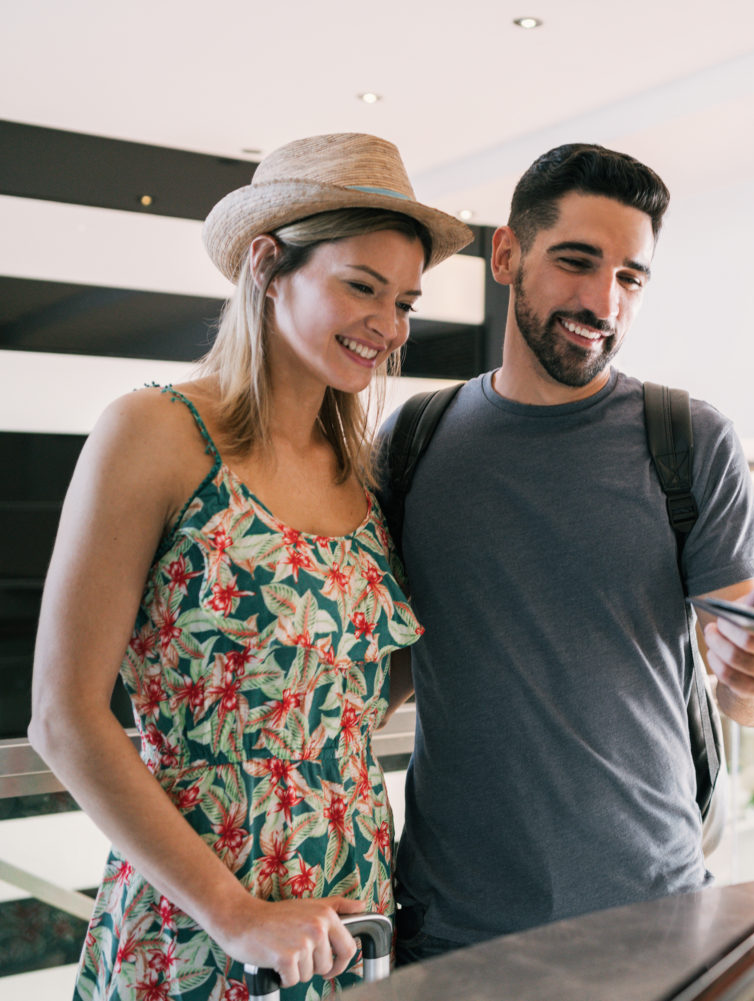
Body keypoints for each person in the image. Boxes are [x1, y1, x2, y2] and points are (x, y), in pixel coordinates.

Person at [28, 133, 473, 1000]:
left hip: (349, 909)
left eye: (405, 300)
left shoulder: (361, 470)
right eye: (362, 286)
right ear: (269, 265)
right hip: (201, 911)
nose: (390, 326)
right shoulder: (154, 432)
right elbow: (63, 717)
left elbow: (343, 687)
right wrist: (233, 911)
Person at [380, 143, 754, 962]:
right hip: (452, 929)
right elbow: (388, 656)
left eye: (630, 277)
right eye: (577, 262)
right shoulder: (413, 442)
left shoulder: (688, 439)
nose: (603, 300)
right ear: (507, 253)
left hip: (653, 919)